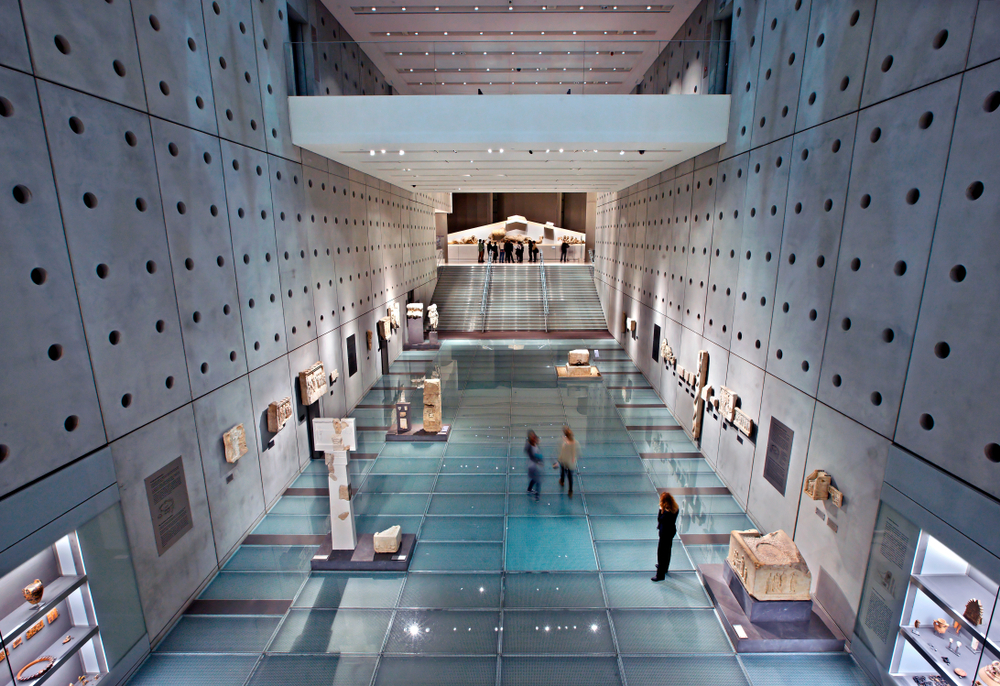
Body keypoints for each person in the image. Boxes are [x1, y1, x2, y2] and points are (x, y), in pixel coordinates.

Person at [651, 491, 679, 581]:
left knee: (661, 553)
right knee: (667, 551)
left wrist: (660, 510)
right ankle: (665, 568)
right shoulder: (675, 508)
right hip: (671, 532)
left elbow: (660, 519)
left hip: (665, 534)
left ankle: (660, 575)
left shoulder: (666, 513)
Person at [557, 425, 579, 497]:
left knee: (563, 471)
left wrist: (559, 460)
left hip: (564, 461)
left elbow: (562, 453)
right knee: (570, 477)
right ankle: (570, 491)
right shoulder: (575, 442)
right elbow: (576, 452)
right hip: (571, 462)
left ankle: (562, 481)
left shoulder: (565, 443)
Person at [525, 430, 542, 501]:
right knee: (538, 480)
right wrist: (538, 459)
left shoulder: (534, 444)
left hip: (534, 465)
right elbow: (532, 456)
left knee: (535, 479)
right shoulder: (529, 446)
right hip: (533, 466)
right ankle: (537, 495)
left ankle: (529, 489)